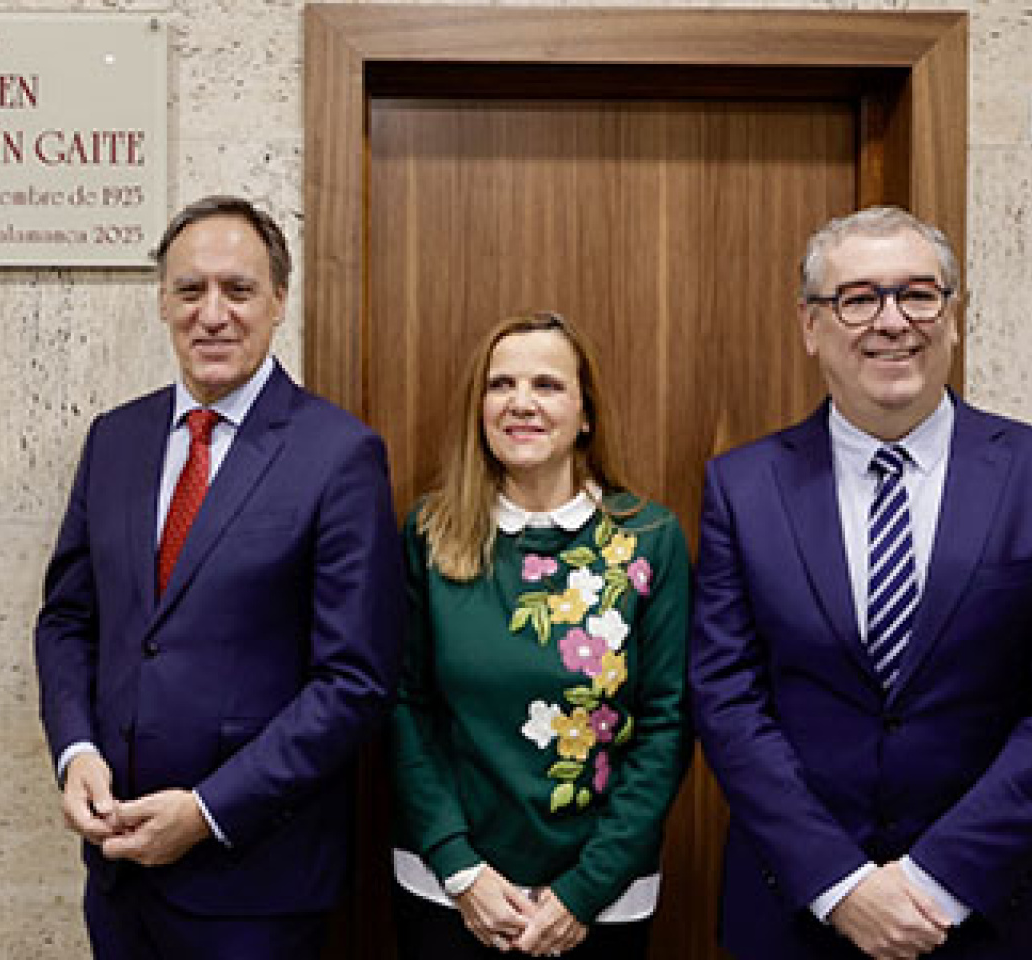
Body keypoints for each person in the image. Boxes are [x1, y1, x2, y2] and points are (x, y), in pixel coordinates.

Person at [33, 194, 404, 958]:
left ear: (278, 302)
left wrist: (206, 811)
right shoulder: (115, 440)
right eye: (190, 290)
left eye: (238, 290)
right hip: (118, 877)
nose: (212, 314)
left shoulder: (338, 455)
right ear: (162, 302)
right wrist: (76, 752)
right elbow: (69, 619)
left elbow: (354, 681)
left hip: (256, 885)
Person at [691, 205, 1032, 959]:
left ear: (954, 317)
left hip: (993, 911)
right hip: (795, 913)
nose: (892, 321)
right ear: (811, 326)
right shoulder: (743, 488)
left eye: (919, 295)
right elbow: (727, 699)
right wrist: (839, 883)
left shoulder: (1027, 474)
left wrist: (940, 880)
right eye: (858, 299)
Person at [390, 312, 692, 959]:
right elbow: (405, 706)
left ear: (586, 414)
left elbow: (666, 726)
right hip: (450, 889)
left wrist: (584, 891)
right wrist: (460, 869)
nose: (520, 403)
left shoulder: (649, 541)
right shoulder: (431, 533)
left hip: (601, 897)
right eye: (501, 385)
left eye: (547, 386)